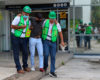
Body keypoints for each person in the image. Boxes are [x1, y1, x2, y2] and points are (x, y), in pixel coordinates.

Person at [42, 11, 65, 77]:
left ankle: (52, 71)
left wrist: (62, 41)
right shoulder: (45, 22)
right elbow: (41, 28)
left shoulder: (57, 24)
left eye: (53, 18)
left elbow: (60, 32)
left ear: (55, 18)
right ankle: (45, 65)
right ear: (49, 17)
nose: (52, 20)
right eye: (51, 18)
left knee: (53, 56)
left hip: (53, 42)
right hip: (46, 41)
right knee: (46, 54)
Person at [11, 6, 31, 74]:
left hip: (24, 38)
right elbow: (12, 26)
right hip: (16, 37)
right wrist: (21, 27)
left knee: (25, 52)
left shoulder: (28, 19)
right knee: (16, 53)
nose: (26, 15)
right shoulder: (18, 18)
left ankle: (25, 66)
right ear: (22, 12)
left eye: (28, 14)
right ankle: (18, 68)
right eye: (25, 13)